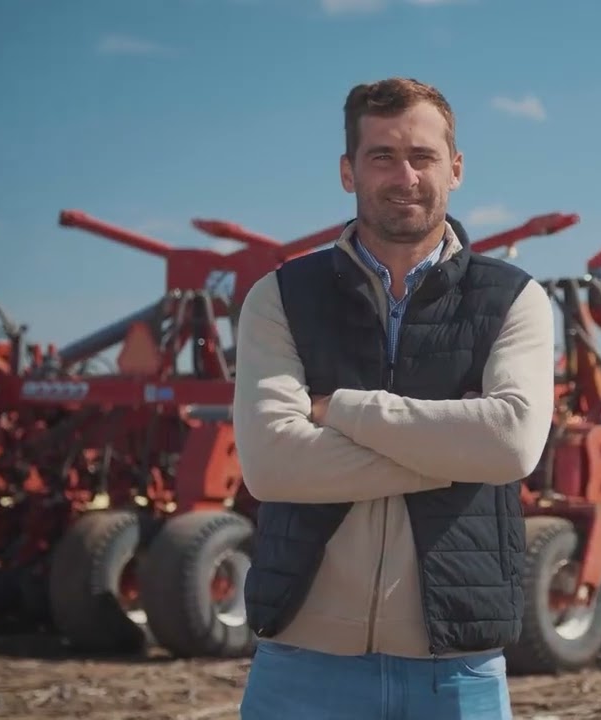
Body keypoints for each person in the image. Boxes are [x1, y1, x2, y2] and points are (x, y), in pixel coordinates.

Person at [230, 77, 556, 718]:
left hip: (456, 671)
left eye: (423, 157)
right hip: (302, 665)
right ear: (348, 171)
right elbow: (272, 465)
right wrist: (457, 451)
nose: (404, 175)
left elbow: (512, 445)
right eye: (382, 156)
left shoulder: (514, 300)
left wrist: (344, 410)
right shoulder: (281, 297)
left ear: (455, 169)